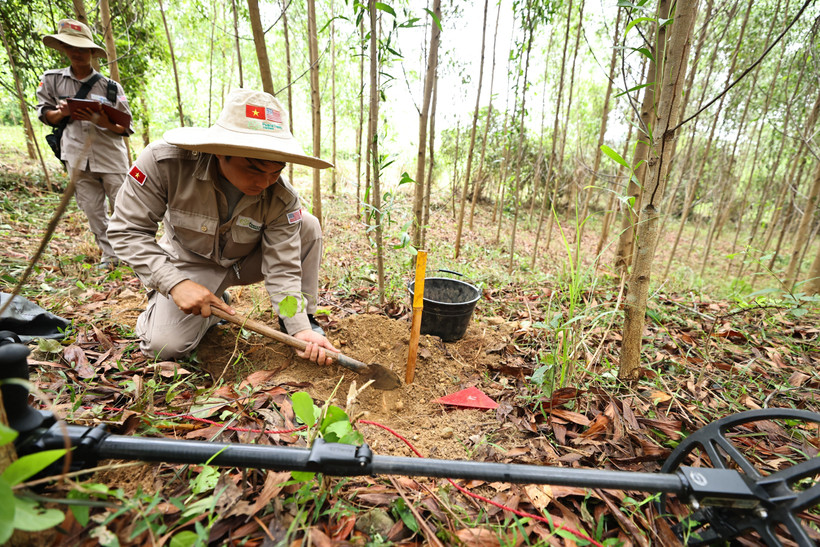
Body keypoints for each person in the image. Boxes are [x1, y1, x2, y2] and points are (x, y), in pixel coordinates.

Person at [107, 89, 337, 367]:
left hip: (247, 262)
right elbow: (126, 229)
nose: (265, 182)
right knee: (164, 347)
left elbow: (283, 269)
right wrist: (175, 283)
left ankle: (303, 320)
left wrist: (300, 328)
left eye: (275, 171)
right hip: (189, 263)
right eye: (253, 168)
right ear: (220, 152)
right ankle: (202, 302)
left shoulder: (281, 198)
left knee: (307, 224)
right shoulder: (164, 164)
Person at [36, 19, 134, 270]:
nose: (76, 52)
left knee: (124, 206)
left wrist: (102, 120)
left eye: (81, 47)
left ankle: (133, 254)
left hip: (110, 155)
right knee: (92, 209)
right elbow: (46, 116)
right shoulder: (52, 80)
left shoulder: (110, 87)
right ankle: (109, 255)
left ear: (91, 52)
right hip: (76, 154)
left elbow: (124, 127)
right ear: (62, 48)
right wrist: (63, 113)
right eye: (70, 46)